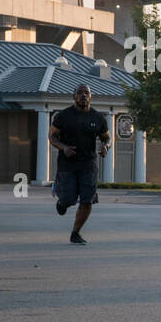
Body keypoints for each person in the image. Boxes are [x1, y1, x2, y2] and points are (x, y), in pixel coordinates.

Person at [49, 84, 111, 245]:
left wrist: (106, 147)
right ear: (74, 96)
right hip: (67, 164)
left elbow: (107, 138)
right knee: (69, 199)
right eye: (80, 93)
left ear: (90, 97)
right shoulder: (63, 116)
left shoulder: (98, 118)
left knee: (87, 200)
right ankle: (62, 201)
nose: (83, 95)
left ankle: (75, 233)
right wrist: (64, 148)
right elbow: (52, 137)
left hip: (88, 164)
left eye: (86, 93)